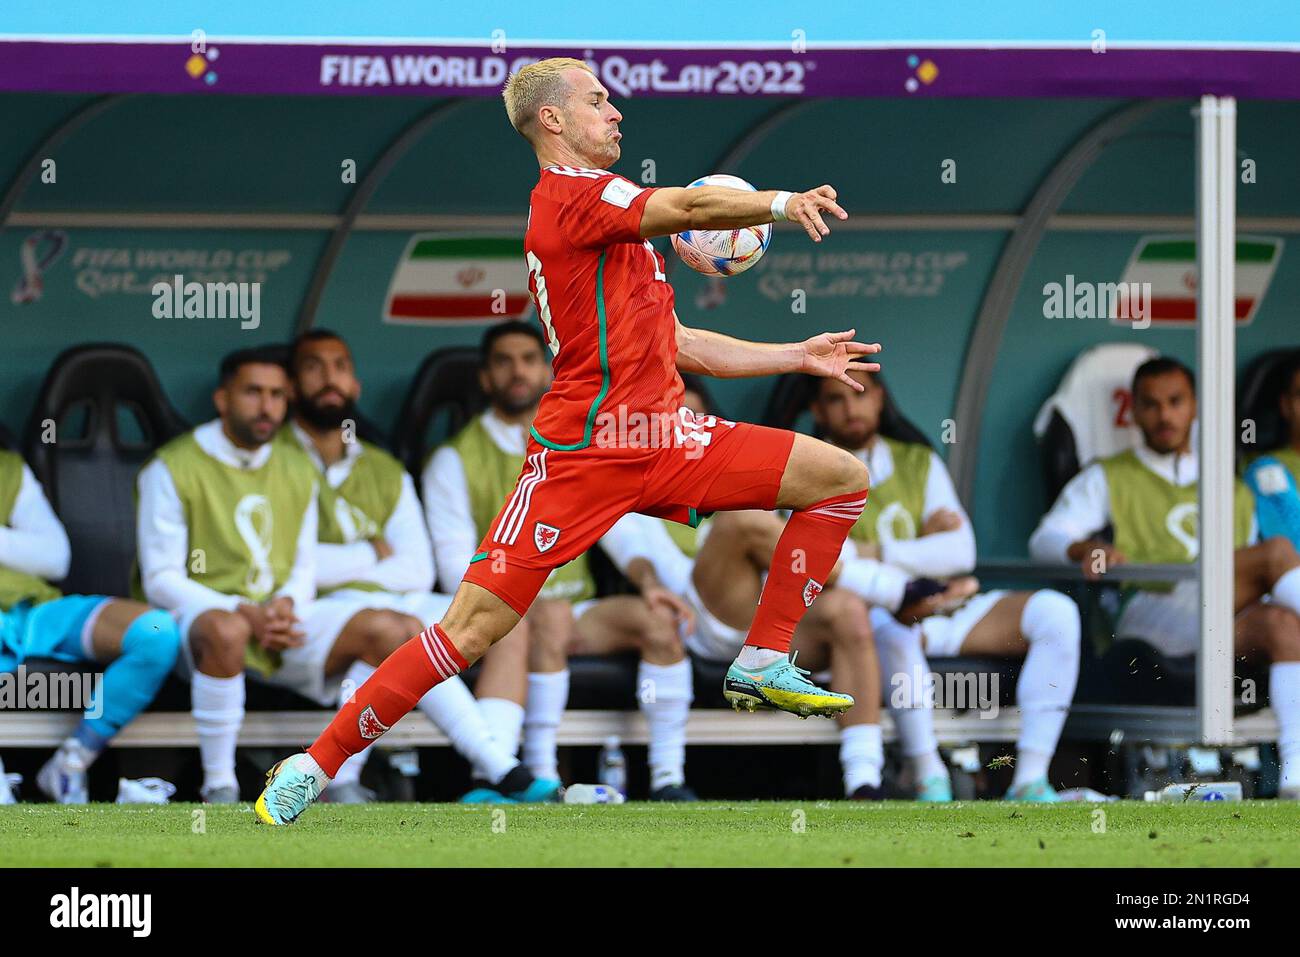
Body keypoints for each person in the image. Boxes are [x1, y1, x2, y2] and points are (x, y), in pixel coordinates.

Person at [258, 55, 881, 824]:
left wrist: (793, 355)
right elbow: (688, 208)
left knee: (839, 477)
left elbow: (676, 340)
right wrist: (777, 202)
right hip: (582, 454)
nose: (616, 112)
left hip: (664, 435)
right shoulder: (572, 197)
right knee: (470, 630)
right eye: (598, 100)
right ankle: (313, 765)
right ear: (551, 120)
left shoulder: (616, 220)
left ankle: (760, 657)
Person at [137, 347, 454, 803]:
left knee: (390, 629)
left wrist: (285, 604)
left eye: (276, 395)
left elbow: (301, 563)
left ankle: (340, 779)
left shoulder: (296, 466)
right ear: (222, 399)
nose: (266, 406)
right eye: (253, 392)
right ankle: (220, 786)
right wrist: (241, 610)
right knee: (226, 629)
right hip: (199, 624)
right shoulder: (172, 466)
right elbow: (160, 580)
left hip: (280, 622)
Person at [423, 321, 697, 799]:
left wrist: (649, 581)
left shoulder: (581, 442)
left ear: (550, 372)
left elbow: (621, 530)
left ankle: (669, 779)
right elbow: (453, 569)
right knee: (542, 617)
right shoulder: (454, 458)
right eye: (504, 362)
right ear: (485, 378)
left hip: (577, 612)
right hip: (495, 617)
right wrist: (524, 605)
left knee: (657, 621)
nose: (518, 371)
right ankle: (536, 774)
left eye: (530, 359)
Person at [284, 329, 556, 802]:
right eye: (313, 366)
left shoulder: (383, 467)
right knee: (396, 627)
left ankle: (489, 782)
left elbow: (415, 568)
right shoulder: (270, 462)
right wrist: (371, 553)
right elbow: (287, 564)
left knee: (502, 619)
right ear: (292, 385)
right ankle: (502, 770)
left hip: (390, 604)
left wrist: (344, 564)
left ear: (357, 385)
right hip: (310, 611)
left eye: (341, 367)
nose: (330, 378)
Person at [1029, 356, 1300, 798]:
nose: (1165, 415)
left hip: (1219, 622)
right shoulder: (1107, 475)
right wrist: (1084, 548)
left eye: (1176, 402)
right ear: (1132, 412)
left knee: (1283, 625)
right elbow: (1043, 541)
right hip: (1148, 621)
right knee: (1276, 555)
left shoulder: (1227, 484)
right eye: (1151, 405)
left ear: (1195, 407)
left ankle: (1295, 776)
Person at [603, 378, 888, 798]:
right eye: (674, 418)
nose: (686, 427)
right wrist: (647, 585)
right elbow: (626, 544)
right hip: (694, 614)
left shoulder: (722, 464)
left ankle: (865, 782)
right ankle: (893, 589)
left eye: (694, 419)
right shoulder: (626, 474)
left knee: (849, 612)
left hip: (763, 623)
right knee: (740, 525)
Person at [807, 370, 1081, 802]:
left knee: (1056, 613)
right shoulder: (806, 467)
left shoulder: (918, 460)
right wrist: (920, 548)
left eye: (860, 395)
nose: (850, 408)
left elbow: (960, 551)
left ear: (879, 399)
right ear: (818, 410)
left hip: (945, 606)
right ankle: (928, 774)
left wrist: (874, 551)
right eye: (836, 399)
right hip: (875, 620)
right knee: (886, 623)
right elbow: (813, 561)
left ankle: (1030, 779)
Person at [0, 447, 180, 804]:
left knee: (156, 631)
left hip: (33, 612)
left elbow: (55, 557)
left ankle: (70, 765)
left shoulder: (7, 467)